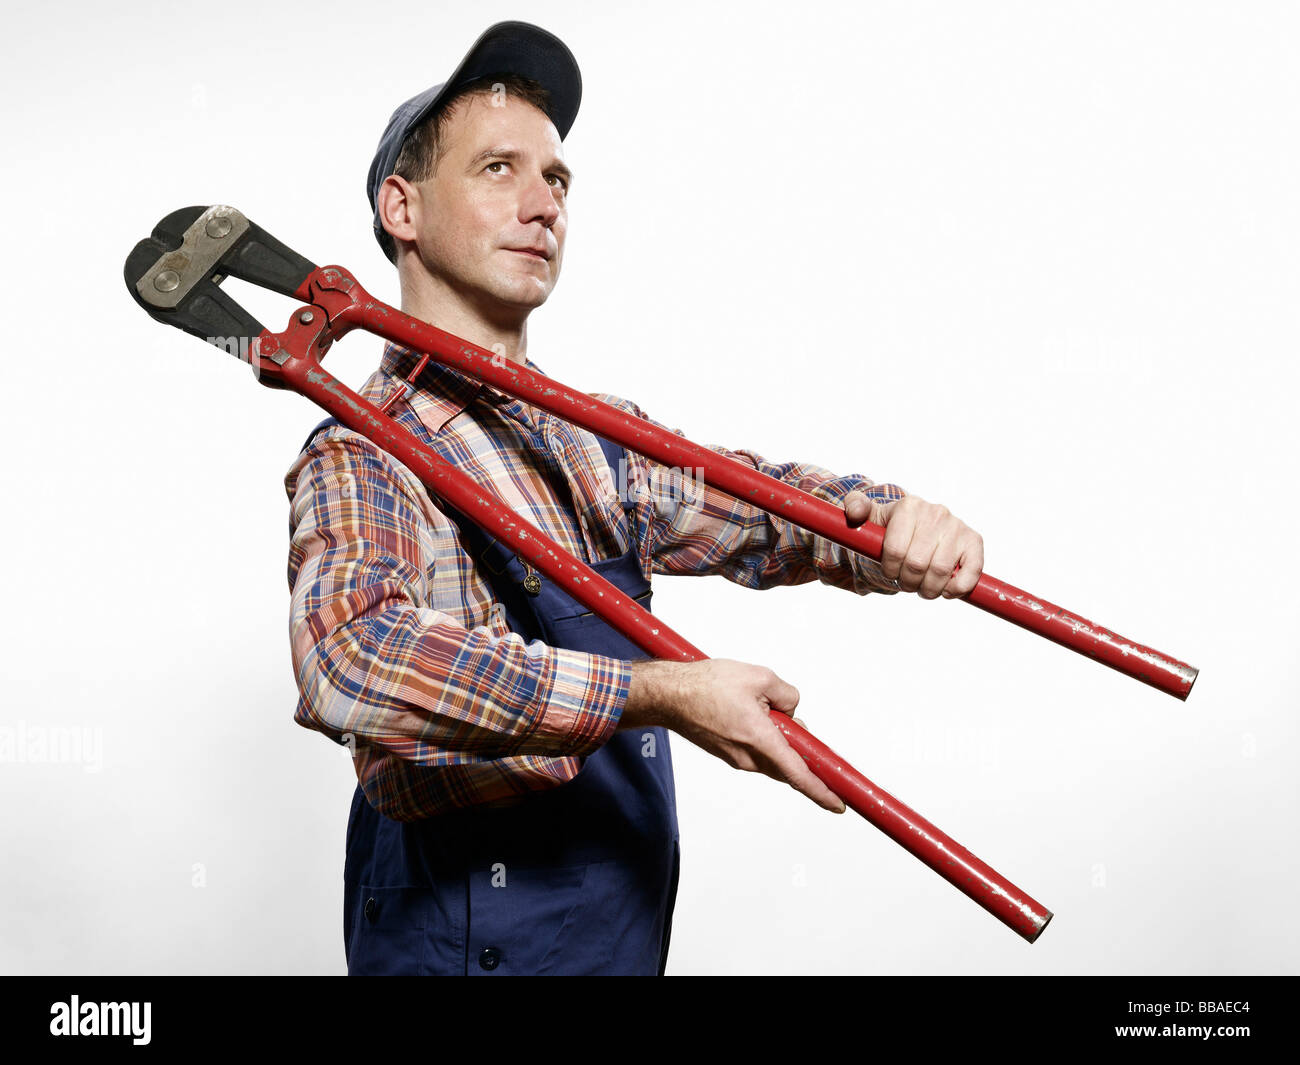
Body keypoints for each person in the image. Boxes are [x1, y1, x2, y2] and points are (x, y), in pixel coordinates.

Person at [282, 21, 985, 976]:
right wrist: (658, 693)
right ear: (401, 208)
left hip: (618, 934)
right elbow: (352, 659)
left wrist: (889, 522)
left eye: (557, 179)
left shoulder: (591, 437)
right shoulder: (363, 450)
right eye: (498, 169)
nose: (543, 205)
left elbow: (756, 509)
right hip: (468, 940)